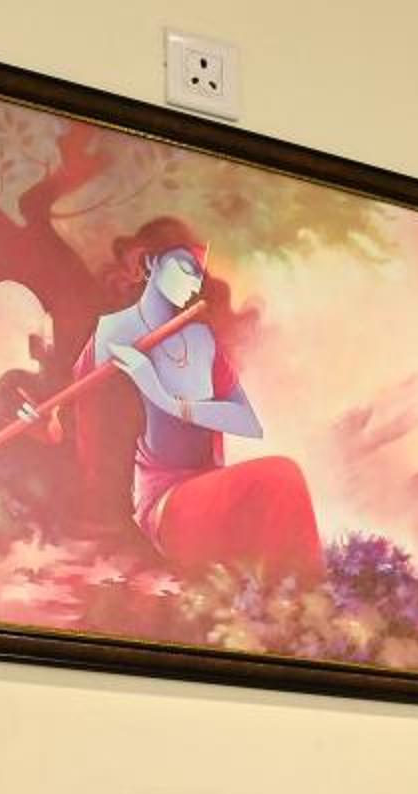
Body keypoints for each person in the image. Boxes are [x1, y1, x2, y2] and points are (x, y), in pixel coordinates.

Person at [85, 218, 324, 579]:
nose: (194, 281)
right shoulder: (114, 332)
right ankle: (305, 597)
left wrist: (163, 396)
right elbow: (81, 415)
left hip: (207, 495)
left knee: (280, 500)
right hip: (165, 507)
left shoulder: (201, 340)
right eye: (184, 268)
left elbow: (247, 422)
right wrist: (43, 422)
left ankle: (300, 598)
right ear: (150, 263)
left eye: (198, 273)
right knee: (282, 477)